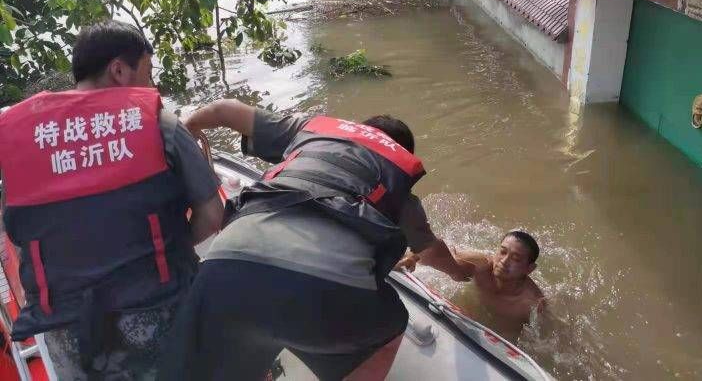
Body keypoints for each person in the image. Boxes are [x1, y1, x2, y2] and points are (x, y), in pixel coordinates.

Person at [159, 100, 475, 381]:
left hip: (223, 263)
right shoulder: (401, 193)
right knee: (392, 323)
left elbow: (223, 110)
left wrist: (189, 130)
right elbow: (432, 253)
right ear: (401, 156)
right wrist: (463, 272)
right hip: (320, 291)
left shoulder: (313, 131)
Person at [0, 20, 224, 379]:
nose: (152, 86)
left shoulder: (19, 137)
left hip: (69, 332)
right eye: (148, 73)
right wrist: (171, 244)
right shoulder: (158, 122)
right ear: (119, 70)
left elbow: (19, 233)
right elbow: (213, 215)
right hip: (158, 314)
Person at [400, 230, 545, 340]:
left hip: (503, 333)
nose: (504, 261)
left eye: (516, 259)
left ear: (529, 269)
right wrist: (412, 257)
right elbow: (436, 253)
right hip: (472, 313)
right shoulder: (480, 266)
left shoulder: (531, 303)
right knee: (457, 272)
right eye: (502, 252)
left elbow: (542, 341)